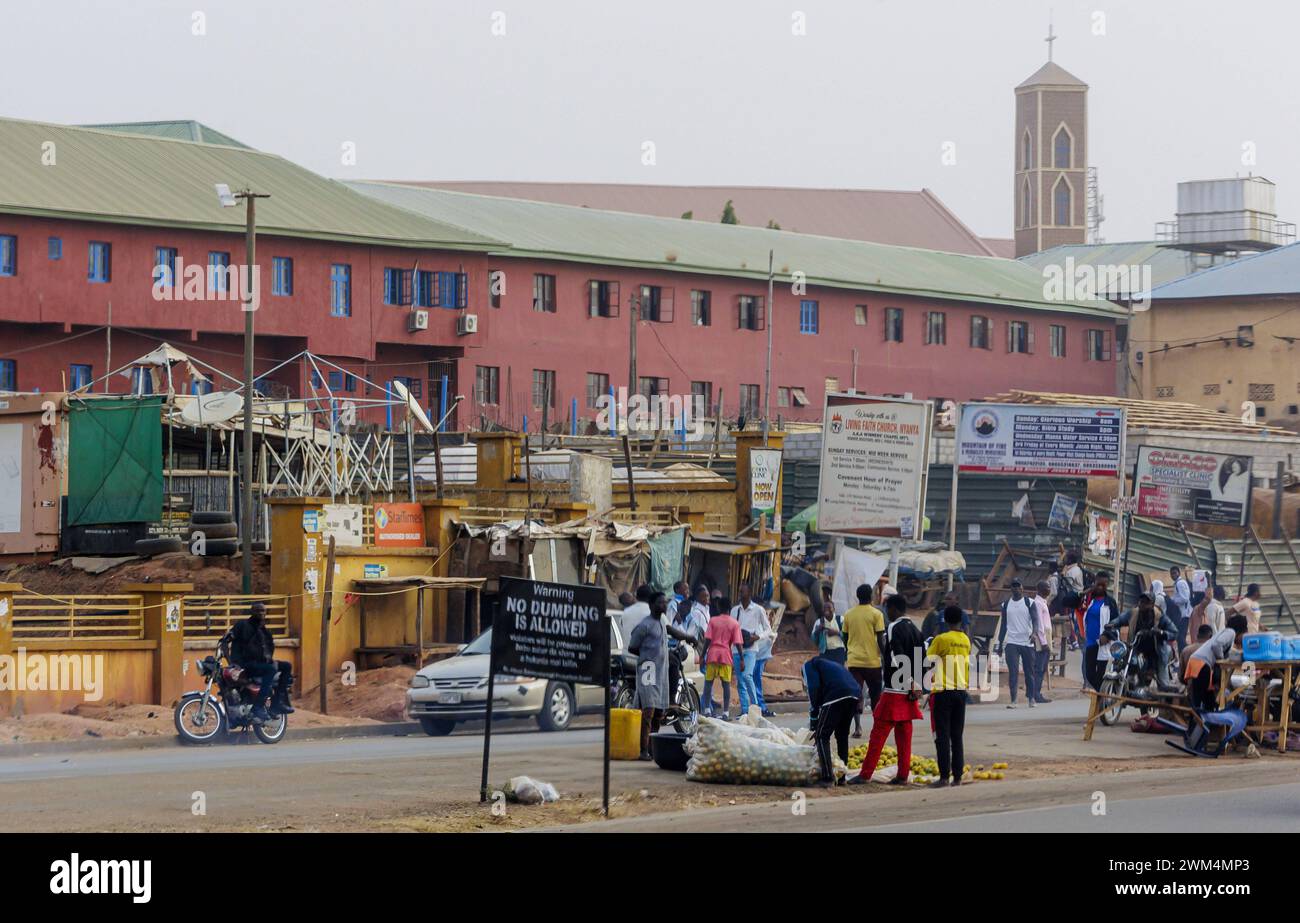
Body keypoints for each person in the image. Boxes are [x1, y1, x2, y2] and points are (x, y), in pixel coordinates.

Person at [850, 595, 924, 786]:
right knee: (904, 734)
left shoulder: (893, 628)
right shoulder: (916, 630)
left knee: (878, 733)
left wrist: (907, 681)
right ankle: (902, 774)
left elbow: (896, 655)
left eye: (888, 609)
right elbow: (921, 658)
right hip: (910, 691)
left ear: (894, 609)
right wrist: (916, 684)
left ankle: (865, 774)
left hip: (895, 689)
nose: (887, 614)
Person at [226, 602, 293, 721]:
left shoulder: (263, 630)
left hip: (262, 663)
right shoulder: (242, 625)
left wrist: (270, 660)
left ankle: (277, 703)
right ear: (252, 612)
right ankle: (258, 706)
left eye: (263, 611)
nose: (261, 613)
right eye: (258, 611)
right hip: (247, 664)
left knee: (287, 666)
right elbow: (227, 639)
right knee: (270, 669)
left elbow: (268, 648)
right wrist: (231, 661)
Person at [926, 605, 970, 788]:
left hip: (943, 691)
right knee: (957, 736)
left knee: (942, 735)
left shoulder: (941, 639)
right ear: (961, 620)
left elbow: (929, 660)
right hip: (960, 691)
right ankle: (958, 777)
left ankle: (944, 776)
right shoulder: (966, 640)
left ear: (945, 620)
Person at [1101, 593, 1180, 691]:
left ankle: (1164, 690)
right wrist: (1112, 624)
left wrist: (1161, 632)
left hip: (1156, 649)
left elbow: (1174, 632)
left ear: (1152, 604)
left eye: (1146, 602)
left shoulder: (1159, 616)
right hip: (1136, 646)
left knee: (1162, 677)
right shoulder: (1133, 613)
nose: (1142, 604)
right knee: (1126, 660)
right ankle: (1128, 680)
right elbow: (1121, 619)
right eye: (1141, 601)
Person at [804, 653, 861, 785]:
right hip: (854, 695)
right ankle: (842, 777)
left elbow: (813, 688)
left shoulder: (808, 666)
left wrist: (814, 717)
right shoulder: (832, 665)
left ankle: (827, 777)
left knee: (821, 736)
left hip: (836, 695)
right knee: (842, 736)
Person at [627, 592, 672, 760]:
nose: (664, 605)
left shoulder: (661, 622)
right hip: (648, 671)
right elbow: (633, 646)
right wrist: (647, 656)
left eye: (665, 603)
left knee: (659, 712)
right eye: (660, 603)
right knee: (648, 710)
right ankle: (643, 750)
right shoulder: (644, 625)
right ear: (652, 605)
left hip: (660, 672)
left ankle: (653, 748)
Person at [843, 583, 887, 740]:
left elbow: (845, 637)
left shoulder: (848, 614)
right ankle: (877, 729)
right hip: (872, 662)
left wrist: (849, 651)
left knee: (856, 695)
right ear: (871, 596)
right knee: (876, 696)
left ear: (858, 596)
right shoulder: (877, 614)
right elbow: (881, 639)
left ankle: (858, 727)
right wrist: (886, 657)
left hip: (854, 662)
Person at [1184, 613, 1248, 710]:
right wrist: (1221, 659)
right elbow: (1216, 645)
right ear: (1241, 630)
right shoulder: (1231, 632)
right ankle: (1197, 722)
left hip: (1198, 662)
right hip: (1201, 664)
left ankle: (1208, 722)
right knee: (1201, 699)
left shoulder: (1226, 633)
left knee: (1207, 698)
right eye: (1244, 634)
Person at [997, 580, 1039, 708]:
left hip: (1027, 642)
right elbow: (1003, 625)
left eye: (1018, 586)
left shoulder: (1029, 603)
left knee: (1029, 672)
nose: (1016, 589)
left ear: (1022, 588)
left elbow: (1035, 620)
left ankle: (1031, 698)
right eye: (1013, 586)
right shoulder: (1005, 605)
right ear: (1011, 589)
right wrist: (1000, 643)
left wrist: (1034, 633)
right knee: (1013, 672)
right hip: (1012, 643)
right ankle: (1013, 700)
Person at [701, 597, 744, 719]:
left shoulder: (713, 621)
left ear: (719, 607)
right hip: (725, 655)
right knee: (726, 685)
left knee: (708, 683)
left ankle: (707, 710)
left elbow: (707, 640)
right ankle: (725, 712)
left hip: (712, 654)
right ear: (730, 608)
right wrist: (741, 659)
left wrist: (702, 655)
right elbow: (738, 643)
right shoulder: (734, 623)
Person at [731, 586, 770, 717]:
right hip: (737, 649)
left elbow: (768, 629)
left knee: (747, 675)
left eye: (743, 591)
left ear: (749, 593)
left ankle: (755, 709)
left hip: (751, 648)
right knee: (740, 681)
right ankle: (745, 711)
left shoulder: (758, 609)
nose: (740, 593)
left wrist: (758, 637)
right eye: (740, 591)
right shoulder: (734, 610)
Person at [1078, 574, 1120, 691]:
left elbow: (1116, 622)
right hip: (1090, 642)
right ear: (1094, 583)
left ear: (1107, 585)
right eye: (1098, 584)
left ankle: (1101, 699)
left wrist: (1107, 635)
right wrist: (1082, 593)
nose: (1100, 587)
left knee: (1101, 674)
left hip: (1103, 643)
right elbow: (1069, 601)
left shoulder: (1110, 602)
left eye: (1103, 584)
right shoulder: (1088, 600)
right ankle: (1102, 695)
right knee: (1089, 675)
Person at [1029, 581, 1053, 704]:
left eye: (1049, 587)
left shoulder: (1043, 602)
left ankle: (1036, 692)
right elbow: (1038, 624)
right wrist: (1044, 642)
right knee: (1039, 667)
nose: (1048, 589)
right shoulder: (1038, 603)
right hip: (1041, 637)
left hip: (1046, 635)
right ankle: (1035, 694)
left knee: (1043, 667)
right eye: (1046, 588)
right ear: (1039, 589)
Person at [1169, 566, 1192, 644]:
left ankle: (1183, 654)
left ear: (1179, 573)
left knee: (1180, 637)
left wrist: (1173, 601)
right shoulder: (1179, 583)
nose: (1173, 575)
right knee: (1180, 637)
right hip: (1182, 614)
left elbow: (1185, 598)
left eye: (1175, 573)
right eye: (1171, 574)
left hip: (1182, 614)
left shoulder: (1180, 583)